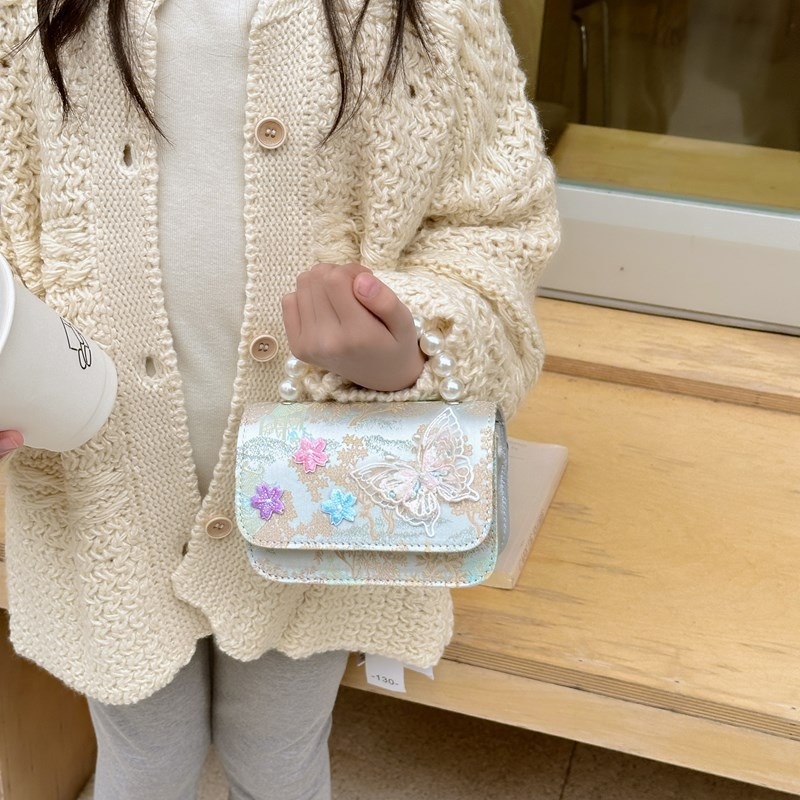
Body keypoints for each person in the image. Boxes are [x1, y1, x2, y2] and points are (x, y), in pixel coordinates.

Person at [0, 0, 559, 797]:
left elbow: (495, 227)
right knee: (144, 761)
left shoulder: (435, 17)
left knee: (278, 753)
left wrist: (416, 343)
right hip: (99, 500)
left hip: (321, 500)